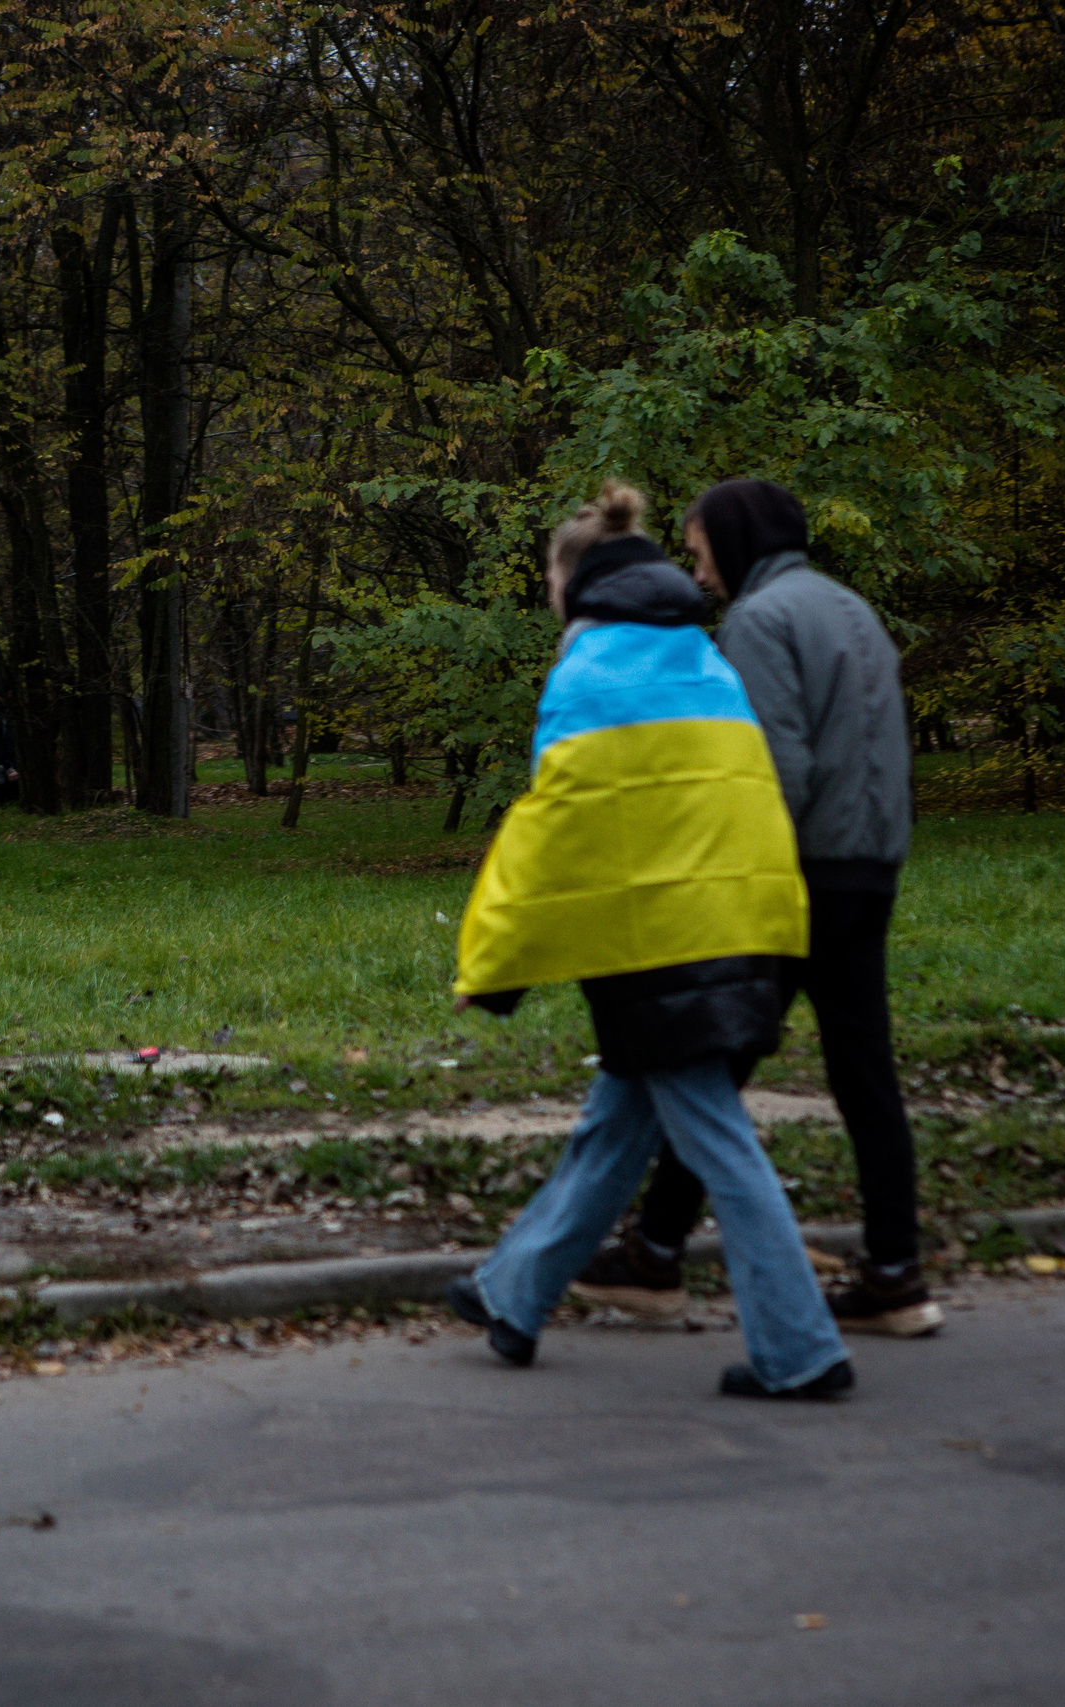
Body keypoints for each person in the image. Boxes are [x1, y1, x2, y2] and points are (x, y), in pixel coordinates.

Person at [447, 479, 853, 1400]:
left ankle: (801, 1349)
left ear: (574, 583)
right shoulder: (702, 658)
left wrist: (494, 969)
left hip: (663, 944)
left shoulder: (590, 672)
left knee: (719, 1141)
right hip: (747, 927)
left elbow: (551, 832)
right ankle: (513, 1296)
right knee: (616, 1123)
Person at [570, 477, 940, 1338]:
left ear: (735, 541)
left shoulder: (760, 622)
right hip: (871, 867)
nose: (699, 574)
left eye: (700, 553)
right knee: (864, 1074)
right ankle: (895, 1269)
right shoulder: (851, 609)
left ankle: (654, 1260)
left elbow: (772, 771)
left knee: (710, 1059)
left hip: (799, 875)